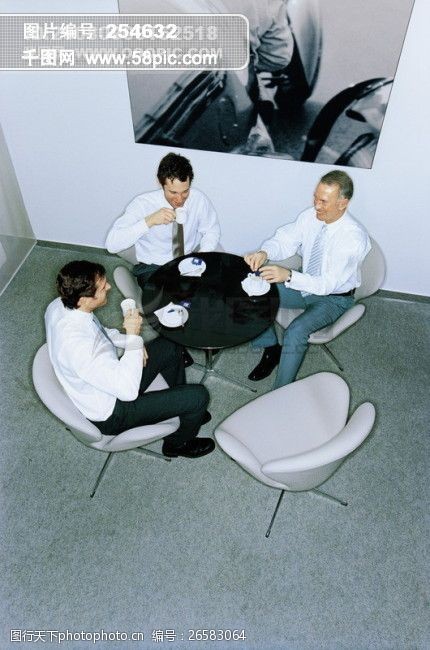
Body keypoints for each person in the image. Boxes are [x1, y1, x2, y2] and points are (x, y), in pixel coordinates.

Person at [45, 260, 215, 459]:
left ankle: (182, 408)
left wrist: (129, 342)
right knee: (199, 396)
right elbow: (128, 391)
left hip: (107, 381)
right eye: (103, 287)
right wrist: (133, 336)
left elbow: (101, 332)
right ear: (84, 299)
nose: (109, 287)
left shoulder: (60, 305)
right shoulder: (82, 350)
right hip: (114, 412)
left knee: (171, 345)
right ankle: (177, 444)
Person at [244, 170, 371, 387]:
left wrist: (289, 275)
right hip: (303, 283)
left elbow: (326, 284)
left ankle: (280, 392)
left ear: (343, 203)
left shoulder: (352, 238)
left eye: (323, 201)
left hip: (333, 298)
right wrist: (265, 252)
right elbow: (285, 239)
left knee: (295, 332)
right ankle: (271, 348)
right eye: (315, 197)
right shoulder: (310, 216)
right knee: (254, 292)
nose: (316, 205)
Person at [105, 152, 221, 287]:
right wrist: (149, 221)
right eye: (173, 192)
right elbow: (112, 245)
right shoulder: (142, 204)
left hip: (188, 262)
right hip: (153, 266)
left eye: (185, 191)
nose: (180, 199)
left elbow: (211, 230)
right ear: (161, 184)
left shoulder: (198, 199)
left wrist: (203, 255)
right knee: (168, 295)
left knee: (213, 290)